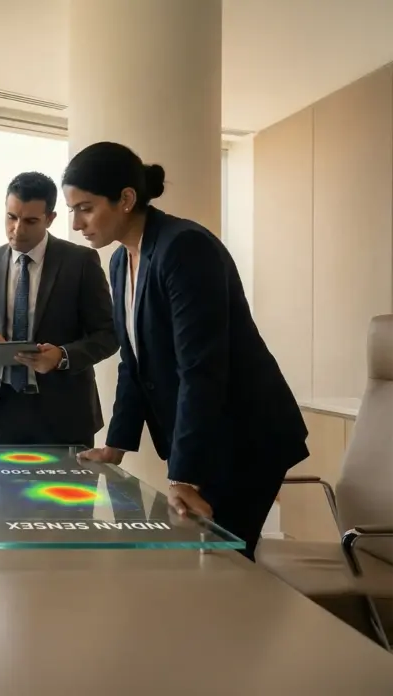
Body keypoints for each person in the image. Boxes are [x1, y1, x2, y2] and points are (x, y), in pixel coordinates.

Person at [64, 141, 308, 560]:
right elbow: (133, 363)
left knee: (224, 563)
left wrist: (185, 475)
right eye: (72, 209)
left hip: (245, 436)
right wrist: (116, 444)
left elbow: (201, 367)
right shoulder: (121, 262)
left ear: (125, 199)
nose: (75, 223)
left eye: (85, 208)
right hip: (211, 436)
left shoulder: (185, 247)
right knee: (211, 563)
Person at [0, 172, 118, 448]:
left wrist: (62, 356)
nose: (17, 229)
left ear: (50, 219)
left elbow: (108, 334)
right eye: (11, 217)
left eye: (30, 221)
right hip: (3, 412)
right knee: (2, 494)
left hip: (67, 414)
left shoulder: (80, 262)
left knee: (72, 493)